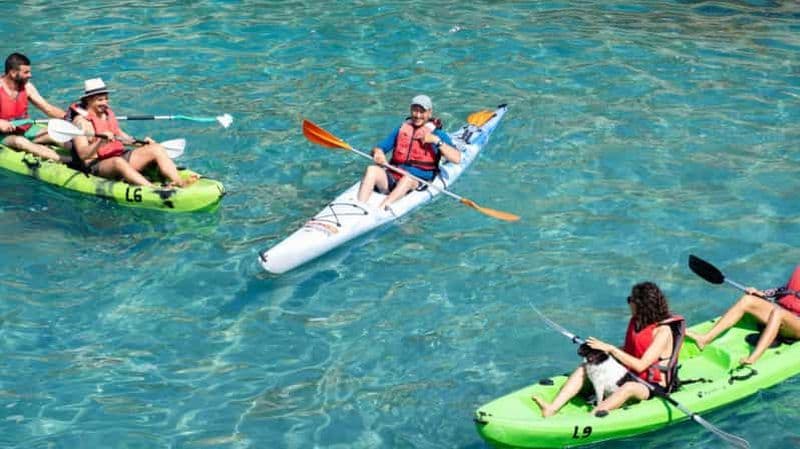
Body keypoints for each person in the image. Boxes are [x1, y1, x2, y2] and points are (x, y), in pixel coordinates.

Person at [532, 282, 685, 417]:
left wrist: (610, 348)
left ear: (642, 305)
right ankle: (552, 408)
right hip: (628, 373)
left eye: (630, 300)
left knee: (628, 387)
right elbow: (632, 349)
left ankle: (591, 418)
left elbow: (641, 365)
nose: (628, 303)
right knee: (586, 367)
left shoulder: (662, 332)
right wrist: (600, 351)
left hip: (651, 385)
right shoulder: (636, 321)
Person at [70, 78, 194, 187]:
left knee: (156, 148)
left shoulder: (107, 115)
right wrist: (101, 142)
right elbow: (82, 154)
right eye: (100, 100)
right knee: (118, 162)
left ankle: (179, 182)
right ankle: (153, 190)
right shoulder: (80, 122)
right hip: (96, 165)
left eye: (106, 99)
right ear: (88, 101)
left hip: (118, 155)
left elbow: (122, 137)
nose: (105, 103)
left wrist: (142, 143)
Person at [356, 95, 461, 210]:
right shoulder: (402, 129)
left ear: (430, 113)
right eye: (415, 110)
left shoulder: (438, 134)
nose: (417, 115)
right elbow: (379, 148)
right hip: (393, 176)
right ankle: (359, 206)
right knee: (372, 170)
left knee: (407, 179)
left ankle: (381, 210)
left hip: (416, 182)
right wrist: (378, 153)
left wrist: (436, 141)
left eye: (422, 112)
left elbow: (457, 158)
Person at [687, 266, 800, 365]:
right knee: (748, 300)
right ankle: (705, 338)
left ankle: (754, 357)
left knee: (778, 313)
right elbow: (787, 289)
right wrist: (762, 293)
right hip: (785, 311)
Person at [0, 52, 66, 161]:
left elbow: (48, 109)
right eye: (26, 72)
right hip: (4, 136)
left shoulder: (27, 87)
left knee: (54, 134)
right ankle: (68, 161)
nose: (30, 75)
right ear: (12, 73)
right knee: (20, 142)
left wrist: (69, 117)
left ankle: (86, 154)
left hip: (26, 130)